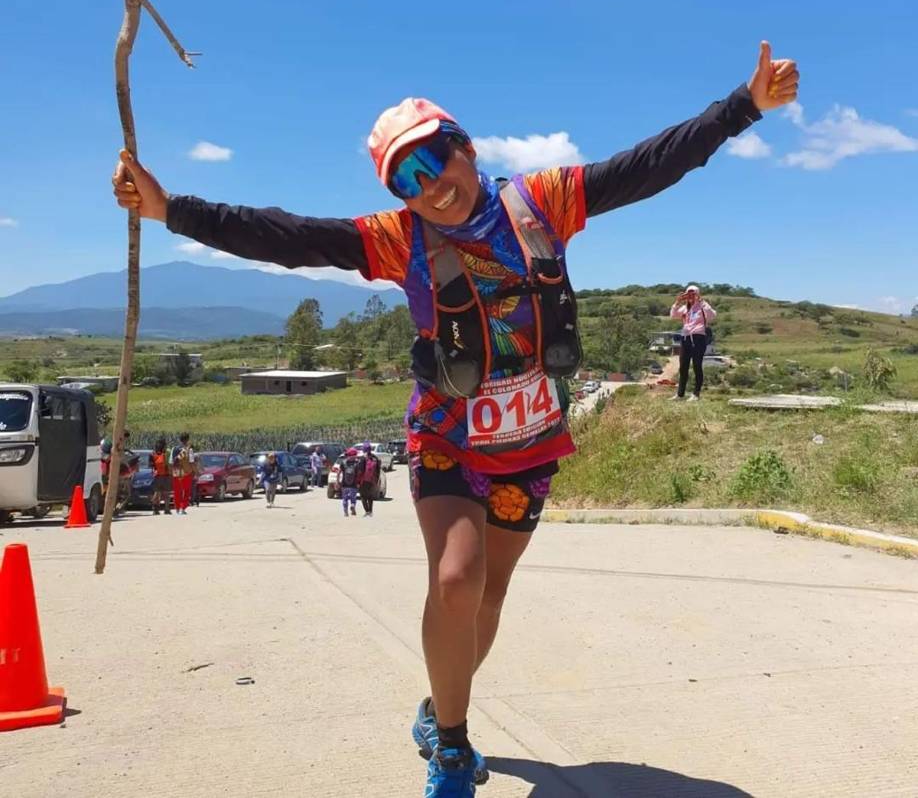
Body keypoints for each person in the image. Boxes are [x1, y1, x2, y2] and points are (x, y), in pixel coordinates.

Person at [112, 41, 798, 797]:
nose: (429, 187)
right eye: (406, 179)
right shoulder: (399, 239)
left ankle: (437, 709)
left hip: (530, 440)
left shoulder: (542, 202)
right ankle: (452, 751)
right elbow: (287, 236)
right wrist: (170, 208)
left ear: (465, 148)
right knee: (456, 577)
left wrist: (744, 107)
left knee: (490, 597)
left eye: (435, 162)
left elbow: (648, 165)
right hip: (446, 433)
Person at [670, 285, 717, 401]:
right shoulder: (685, 308)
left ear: (697, 294)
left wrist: (701, 301)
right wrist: (677, 302)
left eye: (693, 293)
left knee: (697, 366)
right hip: (685, 338)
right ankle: (680, 394)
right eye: (688, 294)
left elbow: (712, 315)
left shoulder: (702, 306)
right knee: (683, 367)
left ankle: (696, 394)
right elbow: (673, 315)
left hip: (698, 338)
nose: (690, 296)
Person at [171, 433, 194, 514]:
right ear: (187, 439)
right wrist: (194, 471)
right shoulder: (189, 449)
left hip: (176, 472)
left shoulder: (174, 449)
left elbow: (171, 461)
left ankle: (177, 508)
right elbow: (191, 461)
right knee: (186, 490)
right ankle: (183, 508)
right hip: (186, 472)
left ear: (180, 440)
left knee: (177, 491)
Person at [358, 441, 381, 517]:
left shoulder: (362, 458)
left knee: (363, 496)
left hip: (363, 480)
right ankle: (370, 511)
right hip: (372, 480)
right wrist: (376, 480)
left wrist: (358, 480)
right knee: (370, 496)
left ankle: (367, 511)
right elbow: (378, 470)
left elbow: (360, 470)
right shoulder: (375, 458)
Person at [151, 437, 172, 515]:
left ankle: (155, 509)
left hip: (157, 475)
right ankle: (166, 509)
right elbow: (169, 463)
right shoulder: (167, 453)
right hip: (166, 474)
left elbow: (151, 465)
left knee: (157, 492)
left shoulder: (153, 453)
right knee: (166, 493)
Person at [339, 448, 361, 517]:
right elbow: (359, 474)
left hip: (344, 483)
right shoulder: (357, 463)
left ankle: (345, 512)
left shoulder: (343, 462)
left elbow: (338, 472)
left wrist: (337, 481)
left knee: (344, 498)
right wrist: (358, 483)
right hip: (353, 484)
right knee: (353, 497)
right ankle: (352, 505)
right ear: (354, 455)